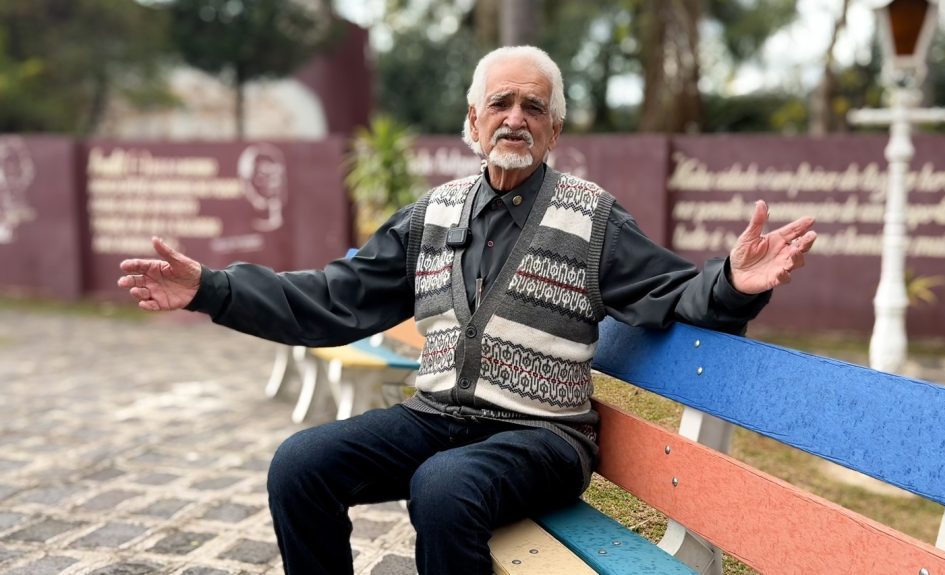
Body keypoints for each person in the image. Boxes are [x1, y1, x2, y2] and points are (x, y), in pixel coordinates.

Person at [117, 45, 816, 575]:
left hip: (544, 435)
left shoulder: (592, 219)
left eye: (534, 107)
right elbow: (334, 296)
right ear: (473, 121)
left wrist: (734, 281)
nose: (516, 118)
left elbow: (673, 291)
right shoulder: (433, 214)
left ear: (555, 130)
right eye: (501, 103)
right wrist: (211, 288)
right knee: (300, 465)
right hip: (436, 418)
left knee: (444, 486)